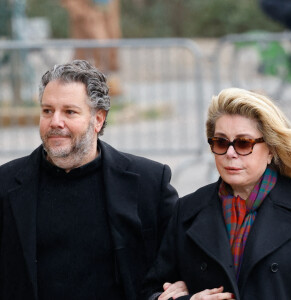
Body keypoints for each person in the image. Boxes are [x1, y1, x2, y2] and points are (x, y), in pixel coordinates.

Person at [0, 60, 178, 300]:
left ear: (98, 119)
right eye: (47, 111)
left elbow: (176, 264)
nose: (55, 122)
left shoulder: (149, 183)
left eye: (69, 112)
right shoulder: (6, 184)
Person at [141, 88, 291, 300]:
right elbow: (150, 292)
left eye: (244, 143)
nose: (230, 153)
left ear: (271, 149)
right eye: (221, 142)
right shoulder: (188, 210)